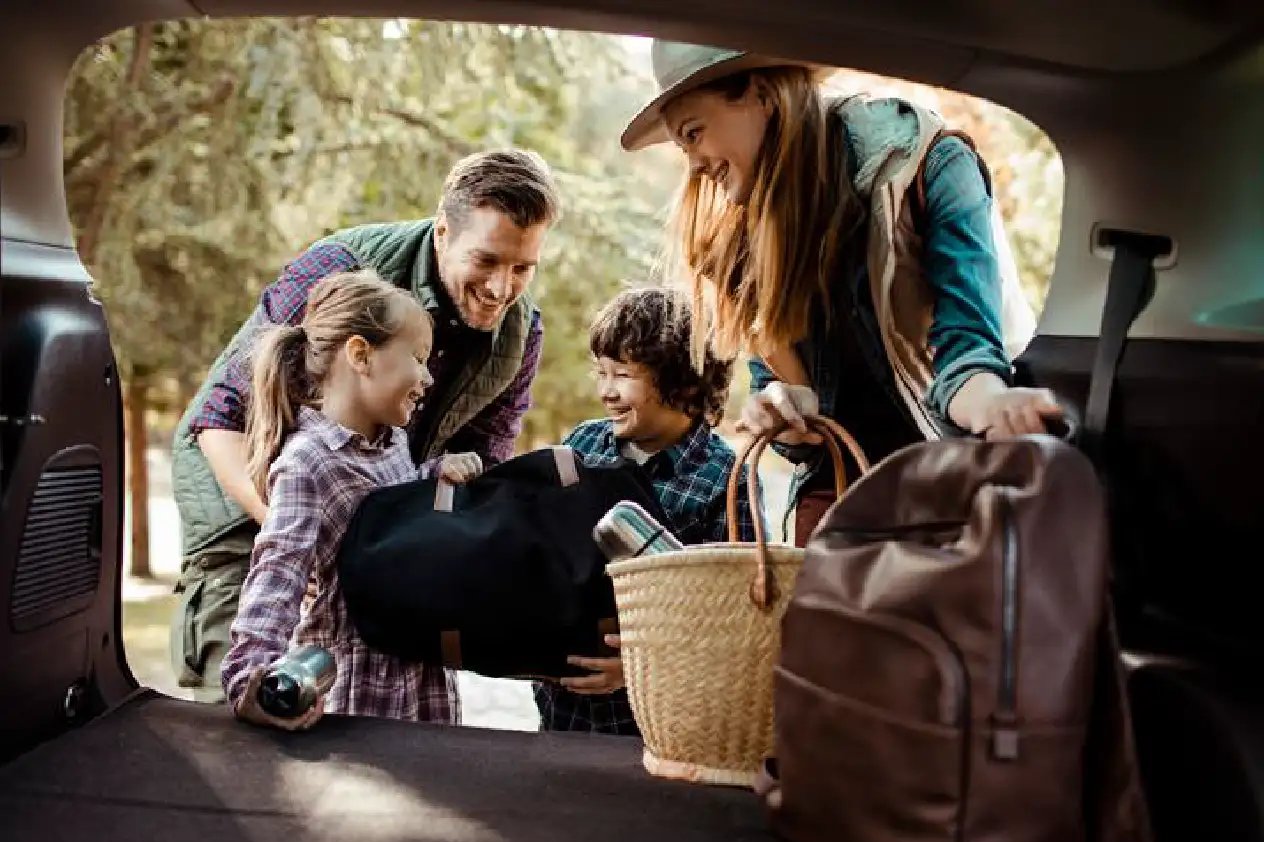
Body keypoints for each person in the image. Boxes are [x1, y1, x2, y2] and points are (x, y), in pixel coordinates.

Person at [622, 41, 1063, 545]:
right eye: (684, 149)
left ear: (760, 94)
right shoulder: (739, 247)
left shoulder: (927, 163)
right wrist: (781, 411)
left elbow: (969, 356)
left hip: (954, 478)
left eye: (694, 134)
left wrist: (995, 406)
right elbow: (797, 415)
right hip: (844, 502)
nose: (696, 164)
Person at [170, 149, 560, 701]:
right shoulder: (339, 266)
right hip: (249, 514)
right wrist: (307, 542)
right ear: (443, 232)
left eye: (523, 268)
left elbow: (480, 471)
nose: (501, 287)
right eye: (487, 260)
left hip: (370, 535)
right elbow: (219, 420)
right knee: (247, 724)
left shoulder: (520, 336)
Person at [221, 270, 484, 730]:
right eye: (419, 358)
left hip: (421, 678)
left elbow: (387, 514)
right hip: (359, 688)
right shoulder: (308, 462)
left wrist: (432, 476)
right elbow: (277, 575)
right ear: (361, 354)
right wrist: (249, 681)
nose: (427, 377)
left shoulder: (392, 443)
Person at [533, 285, 760, 736]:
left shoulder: (725, 479)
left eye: (622, 375)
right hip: (563, 711)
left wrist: (635, 668)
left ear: (684, 380)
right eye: (600, 372)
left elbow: (734, 618)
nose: (606, 391)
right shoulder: (582, 445)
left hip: (656, 720)